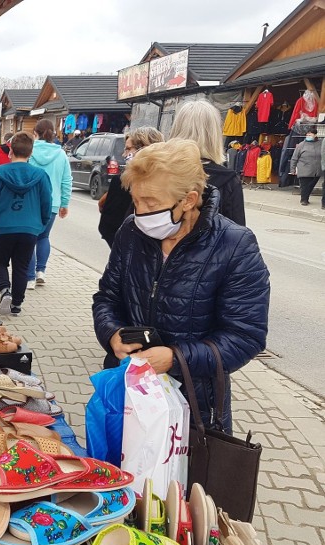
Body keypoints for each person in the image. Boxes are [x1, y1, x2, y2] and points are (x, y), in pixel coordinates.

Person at [92, 139, 270, 433]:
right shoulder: (130, 233)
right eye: (136, 201)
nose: (140, 212)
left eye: (150, 203)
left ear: (188, 200)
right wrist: (112, 334)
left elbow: (245, 336)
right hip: (128, 393)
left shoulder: (235, 246)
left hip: (196, 407)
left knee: (183, 480)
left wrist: (175, 359)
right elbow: (107, 297)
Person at [0, 132, 53, 317]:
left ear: (11, 150)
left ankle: (5, 290)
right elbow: (47, 203)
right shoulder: (40, 175)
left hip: (2, 226)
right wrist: (41, 225)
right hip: (30, 228)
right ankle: (16, 305)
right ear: (30, 153)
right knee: (21, 266)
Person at [170, 100, 246, 225]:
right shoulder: (228, 181)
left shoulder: (158, 171)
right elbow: (236, 235)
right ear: (214, 135)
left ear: (176, 129)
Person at [26, 119, 73, 289]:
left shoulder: (29, 152)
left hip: (31, 203)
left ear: (35, 133)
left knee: (30, 239)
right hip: (53, 202)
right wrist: (64, 203)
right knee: (44, 237)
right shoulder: (61, 154)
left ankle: (29, 278)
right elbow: (66, 180)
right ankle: (41, 272)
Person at [97, 126, 164, 248]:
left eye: (128, 149)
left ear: (143, 149)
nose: (124, 154)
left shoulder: (123, 182)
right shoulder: (168, 181)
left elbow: (108, 227)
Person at [290, 126, 323, 208]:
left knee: (311, 185)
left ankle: (306, 197)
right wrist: (293, 169)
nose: (308, 136)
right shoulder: (301, 145)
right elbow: (294, 158)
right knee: (304, 186)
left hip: (317, 170)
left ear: (315, 135)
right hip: (304, 169)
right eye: (307, 135)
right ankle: (304, 199)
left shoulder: (321, 144)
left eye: (310, 135)